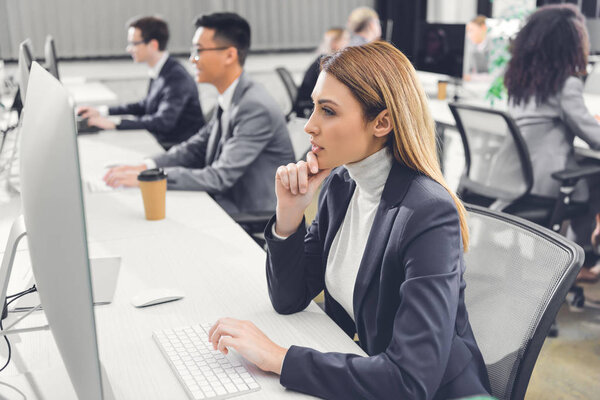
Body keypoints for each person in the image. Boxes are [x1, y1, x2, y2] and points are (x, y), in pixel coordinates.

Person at [207, 41, 491, 399]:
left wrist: (278, 358)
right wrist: (289, 216)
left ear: (382, 122)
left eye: (328, 111)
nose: (310, 126)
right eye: (314, 107)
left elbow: (409, 382)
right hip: (364, 370)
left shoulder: (427, 213)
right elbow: (290, 297)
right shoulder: (342, 183)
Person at [103, 13, 295, 215]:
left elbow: (219, 177)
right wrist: (146, 166)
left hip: (249, 213)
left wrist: (154, 176)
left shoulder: (254, 106)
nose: (192, 59)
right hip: (226, 200)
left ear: (230, 55)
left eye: (199, 50)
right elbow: (196, 147)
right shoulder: (232, 96)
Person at [503, 4, 600, 281]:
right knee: (596, 177)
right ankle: (577, 255)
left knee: (590, 174)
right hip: (548, 185)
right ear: (567, 44)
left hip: (516, 179)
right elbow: (595, 138)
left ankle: (575, 253)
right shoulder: (566, 84)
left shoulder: (520, 81)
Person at [77, 16, 204, 150]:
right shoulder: (161, 70)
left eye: (134, 43)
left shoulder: (176, 77)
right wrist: (102, 112)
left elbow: (163, 122)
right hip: (162, 141)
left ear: (153, 45)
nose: (129, 49)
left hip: (177, 148)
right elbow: (144, 105)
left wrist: (114, 123)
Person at [294, 27, 349, 118]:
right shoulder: (327, 63)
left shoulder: (323, 59)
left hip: (310, 101)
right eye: (346, 39)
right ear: (335, 43)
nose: (348, 43)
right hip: (311, 103)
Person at [463, 15, 491, 81]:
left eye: (471, 30)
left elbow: (495, 75)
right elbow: (466, 71)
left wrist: (471, 78)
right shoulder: (470, 46)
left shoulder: (495, 47)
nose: (468, 35)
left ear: (483, 28)